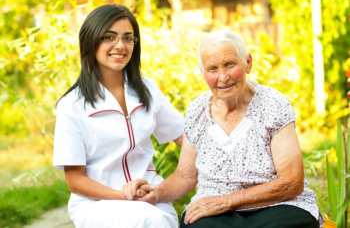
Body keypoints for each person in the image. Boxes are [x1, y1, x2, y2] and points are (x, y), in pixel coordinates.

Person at [127, 29, 324, 228]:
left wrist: (226, 201)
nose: (222, 77)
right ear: (203, 73)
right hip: (215, 212)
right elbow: (185, 176)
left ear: (248, 63)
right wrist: (156, 192)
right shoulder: (198, 110)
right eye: (212, 69)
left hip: (277, 206)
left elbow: (291, 183)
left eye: (229, 64)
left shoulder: (272, 104)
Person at [52, 4, 183, 228]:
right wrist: (124, 195)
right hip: (97, 204)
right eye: (109, 37)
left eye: (128, 38)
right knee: (150, 221)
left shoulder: (147, 89)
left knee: (160, 220)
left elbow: (187, 139)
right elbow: (75, 180)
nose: (120, 46)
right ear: (91, 41)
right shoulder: (72, 105)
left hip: (150, 198)